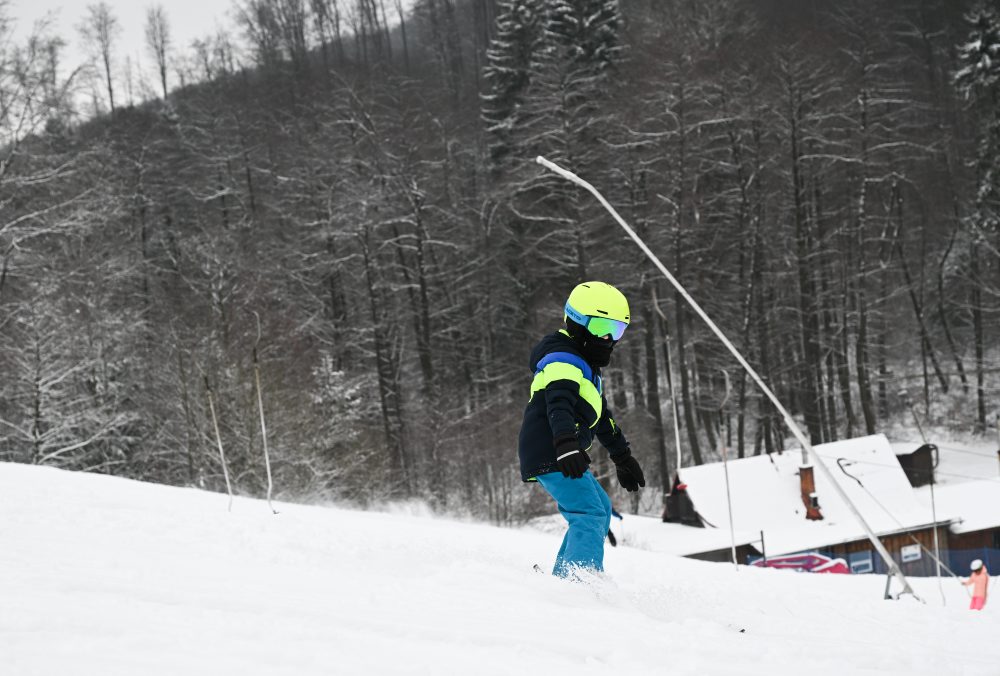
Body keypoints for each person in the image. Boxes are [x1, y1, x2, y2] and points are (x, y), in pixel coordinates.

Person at [517, 281, 645, 578]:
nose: (609, 339)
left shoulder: (585, 365)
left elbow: (602, 418)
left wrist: (622, 457)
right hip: (554, 447)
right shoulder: (563, 358)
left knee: (599, 507)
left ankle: (567, 575)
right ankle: (578, 581)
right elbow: (558, 401)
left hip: (562, 447)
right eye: (602, 327)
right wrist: (566, 443)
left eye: (617, 331)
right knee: (588, 513)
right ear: (576, 321)